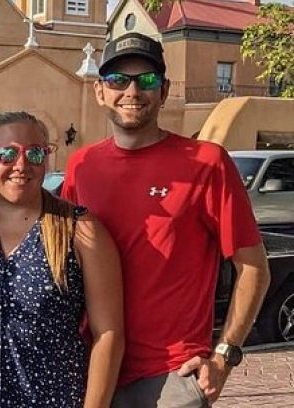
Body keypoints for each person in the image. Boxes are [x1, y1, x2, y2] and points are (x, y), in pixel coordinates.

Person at [62, 32, 271, 408]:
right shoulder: (82, 166)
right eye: (117, 80)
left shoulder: (206, 163)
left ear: (164, 90)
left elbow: (254, 267)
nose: (132, 90)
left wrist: (224, 355)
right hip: (95, 370)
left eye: (147, 80)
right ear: (100, 91)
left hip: (172, 376)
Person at [0, 111, 124, 407]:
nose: (21, 165)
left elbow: (108, 334)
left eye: (34, 153)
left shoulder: (77, 228)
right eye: (7, 154)